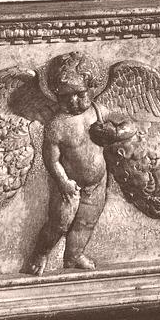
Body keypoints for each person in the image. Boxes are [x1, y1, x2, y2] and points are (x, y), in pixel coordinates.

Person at [28, 53, 109, 274]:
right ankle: (41, 253)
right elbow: (51, 159)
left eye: (80, 94)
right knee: (59, 224)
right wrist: (63, 181)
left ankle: (73, 256)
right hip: (69, 187)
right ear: (56, 95)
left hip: (97, 184)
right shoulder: (57, 125)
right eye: (65, 96)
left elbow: (123, 128)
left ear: (91, 88)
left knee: (86, 222)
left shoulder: (99, 112)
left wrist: (116, 132)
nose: (73, 101)